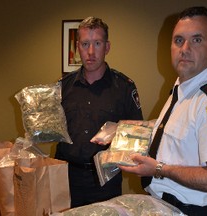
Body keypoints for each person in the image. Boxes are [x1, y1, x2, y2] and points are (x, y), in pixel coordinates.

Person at [119, 6, 207, 215]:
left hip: (192, 210)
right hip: (164, 206)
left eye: (197, 40)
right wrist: (124, 130)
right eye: (179, 40)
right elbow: (179, 131)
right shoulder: (182, 89)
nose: (185, 48)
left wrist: (159, 169)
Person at [55, 16, 143, 208]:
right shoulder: (62, 87)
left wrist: (119, 134)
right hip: (67, 177)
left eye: (97, 43)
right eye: (85, 44)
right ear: (78, 46)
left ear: (107, 47)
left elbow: (138, 135)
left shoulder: (124, 87)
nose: (91, 52)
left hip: (106, 180)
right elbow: (51, 129)